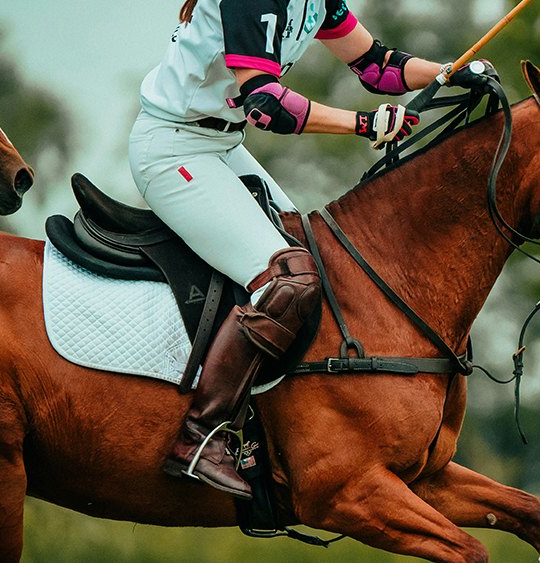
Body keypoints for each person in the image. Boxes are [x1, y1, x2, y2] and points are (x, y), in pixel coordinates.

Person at [129, 0, 497, 500]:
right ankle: (199, 435)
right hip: (172, 151)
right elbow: (266, 104)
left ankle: (269, 432)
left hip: (220, 147)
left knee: (317, 266)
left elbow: (377, 67)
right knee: (288, 279)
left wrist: (454, 72)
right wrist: (363, 125)